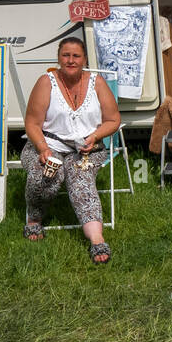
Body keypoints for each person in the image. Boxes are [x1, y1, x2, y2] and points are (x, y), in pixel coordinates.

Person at [21, 37, 120, 263]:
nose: (71, 60)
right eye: (66, 55)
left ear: (84, 59)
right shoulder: (46, 82)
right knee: (46, 173)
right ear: (59, 58)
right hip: (46, 144)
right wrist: (43, 149)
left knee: (80, 179)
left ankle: (97, 240)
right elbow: (32, 123)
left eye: (76, 56)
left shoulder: (98, 83)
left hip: (87, 148)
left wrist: (94, 136)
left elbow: (113, 120)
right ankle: (34, 220)